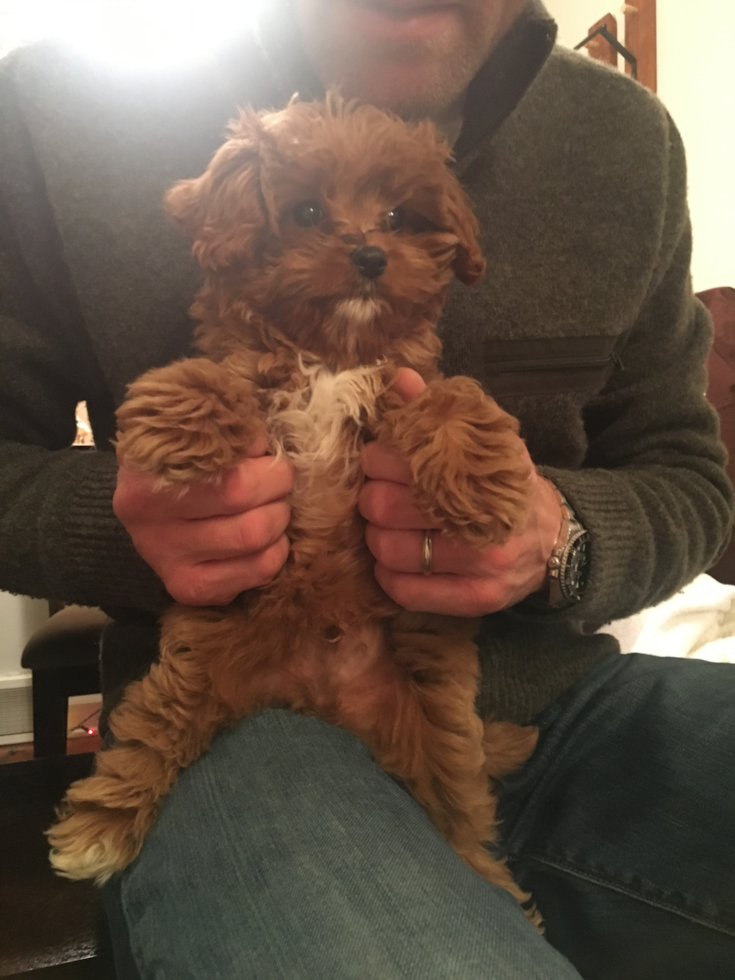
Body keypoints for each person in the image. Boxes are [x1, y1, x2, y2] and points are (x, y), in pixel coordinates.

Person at [1, 0, 733, 976]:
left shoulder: (627, 135)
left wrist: (560, 535)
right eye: (309, 213)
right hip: (247, 714)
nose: (365, 243)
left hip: (545, 694)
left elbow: (689, 477)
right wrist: (123, 520)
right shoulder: (55, 104)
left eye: (399, 219)